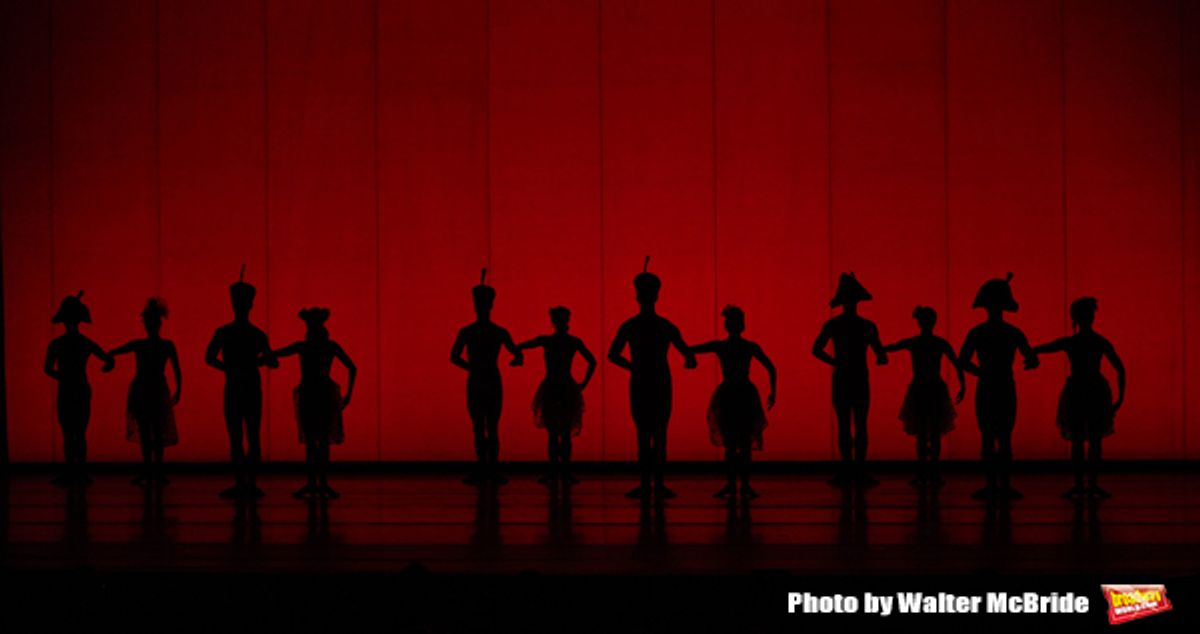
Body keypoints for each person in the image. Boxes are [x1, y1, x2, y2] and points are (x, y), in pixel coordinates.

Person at [608, 257, 697, 500]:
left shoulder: (630, 326)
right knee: (659, 433)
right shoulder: (665, 326)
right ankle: (656, 483)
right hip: (659, 381)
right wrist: (689, 359)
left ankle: (647, 483)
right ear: (656, 297)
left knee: (643, 433)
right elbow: (688, 355)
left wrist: (633, 366)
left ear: (638, 297)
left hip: (641, 381)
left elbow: (613, 355)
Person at [1032, 297, 1125, 499]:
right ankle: (1090, 484)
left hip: (1078, 390)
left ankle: (1081, 484)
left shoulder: (1073, 342)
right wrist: (1120, 397)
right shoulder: (1098, 341)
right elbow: (1120, 369)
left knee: (1078, 441)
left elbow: (1046, 347)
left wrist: (1031, 352)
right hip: (1095, 390)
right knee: (1094, 441)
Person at [959, 273, 1038, 500]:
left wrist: (981, 372)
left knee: (989, 435)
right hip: (1004, 384)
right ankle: (1003, 484)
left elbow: (963, 361)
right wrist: (1031, 361)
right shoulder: (1012, 332)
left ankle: (992, 484)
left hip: (987, 385)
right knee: (1004, 435)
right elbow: (1031, 358)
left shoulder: (978, 332)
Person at [689, 305, 776, 500]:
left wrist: (688, 355)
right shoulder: (747, 347)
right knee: (741, 443)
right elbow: (771, 367)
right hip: (742, 393)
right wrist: (773, 392)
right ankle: (742, 485)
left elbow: (694, 348)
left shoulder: (724, 346)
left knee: (735, 444)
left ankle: (735, 484)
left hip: (731, 393)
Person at [205, 266, 276, 499]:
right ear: (250, 305)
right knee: (251, 434)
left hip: (234, 386)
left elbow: (209, 358)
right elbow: (272, 361)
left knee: (236, 435)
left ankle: (241, 482)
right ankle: (250, 483)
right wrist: (259, 361)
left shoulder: (224, 332)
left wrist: (228, 368)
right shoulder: (257, 334)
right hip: (250, 387)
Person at [273, 307, 356, 499]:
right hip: (324, 393)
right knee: (322, 442)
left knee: (311, 441)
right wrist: (349, 393)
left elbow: (280, 352)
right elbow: (352, 367)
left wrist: (264, 356)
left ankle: (313, 483)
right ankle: (322, 483)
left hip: (310, 393)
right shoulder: (330, 346)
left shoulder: (304, 347)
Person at [812, 272, 886, 486]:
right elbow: (880, 355)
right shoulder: (868, 326)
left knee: (844, 424)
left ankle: (846, 471)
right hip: (860, 376)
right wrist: (880, 356)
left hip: (842, 376)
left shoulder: (834, 325)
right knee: (861, 424)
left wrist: (835, 362)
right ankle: (859, 471)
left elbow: (816, 350)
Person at [451, 269, 524, 485]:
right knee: (484, 425)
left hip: (481, 379)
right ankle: (488, 468)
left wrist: (472, 367)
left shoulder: (472, 331)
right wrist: (516, 358)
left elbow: (455, 357)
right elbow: (454, 357)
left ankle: (487, 467)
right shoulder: (494, 332)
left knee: (487, 426)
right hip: (488, 378)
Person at [883, 305, 965, 487]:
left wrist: (877, 349)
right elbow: (957, 363)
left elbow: (895, 346)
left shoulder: (916, 342)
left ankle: (923, 472)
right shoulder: (939, 343)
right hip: (933, 388)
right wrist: (962, 386)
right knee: (933, 433)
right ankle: (932, 472)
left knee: (922, 433)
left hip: (921, 388)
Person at [517, 306, 597, 486]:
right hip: (565, 386)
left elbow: (522, 345)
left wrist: (518, 354)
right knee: (563, 432)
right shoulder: (572, 342)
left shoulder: (549, 341)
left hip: (553, 386)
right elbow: (592, 362)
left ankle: (555, 471)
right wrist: (583, 383)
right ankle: (564, 472)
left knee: (554, 433)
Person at [43, 291, 114, 485]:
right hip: (80, 388)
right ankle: (79, 471)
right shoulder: (84, 343)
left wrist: (63, 377)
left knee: (69, 432)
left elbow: (48, 369)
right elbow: (108, 359)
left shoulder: (57, 344)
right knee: (79, 432)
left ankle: (71, 471)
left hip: (67, 389)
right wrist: (107, 365)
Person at [110, 298, 182, 485]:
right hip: (152, 388)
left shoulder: (144, 345)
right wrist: (179, 389)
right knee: (152, 432)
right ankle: (153, 471)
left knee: (150, 432)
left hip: (146, 388)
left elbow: (116, 351)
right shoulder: (164, 345)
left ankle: (151, 471)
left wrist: (107, 357)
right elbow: (176, 370)